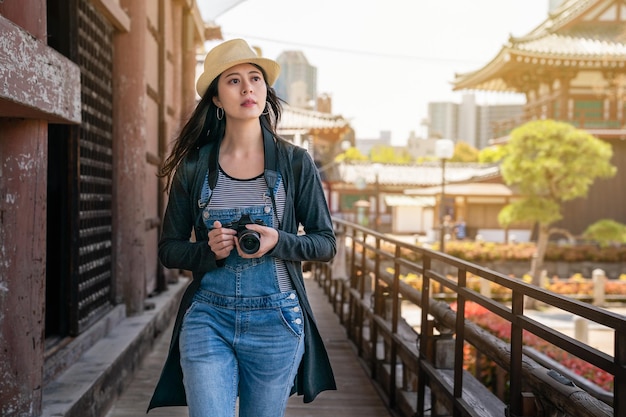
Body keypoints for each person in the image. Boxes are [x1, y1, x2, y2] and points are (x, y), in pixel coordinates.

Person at [147, 38, 337, 417]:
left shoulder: (295, 162)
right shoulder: (194, 166)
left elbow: (325, 243)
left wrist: (278, 240)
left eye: (255, 78)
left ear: (266, 91)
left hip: (278, 320)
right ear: (216, 98)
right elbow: (169, 248)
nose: (247, 87)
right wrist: (207, 250)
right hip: (208, 317)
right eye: (233, 81)